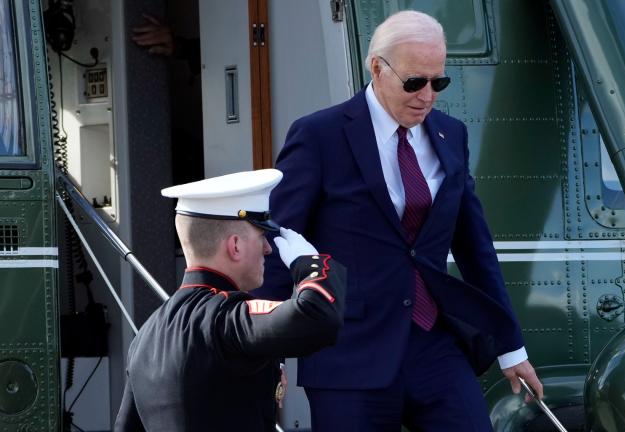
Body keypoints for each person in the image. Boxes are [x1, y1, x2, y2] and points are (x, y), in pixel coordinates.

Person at [259, 10, 543, 431]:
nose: (427, 96)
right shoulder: (320, 135)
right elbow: (278, 238)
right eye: (414, 82)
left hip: (435, 347)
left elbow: (474, 245)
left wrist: (510, 346)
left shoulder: (451, 134)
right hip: (349, 353)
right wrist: (265, 348)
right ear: (377, 68)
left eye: (438, 82)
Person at [114, 169, 346, 432]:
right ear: (235, 246)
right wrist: (310, 265)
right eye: (261, 236)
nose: (268, 249)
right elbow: (315, 317)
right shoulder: (225, 316)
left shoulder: (146, 335)